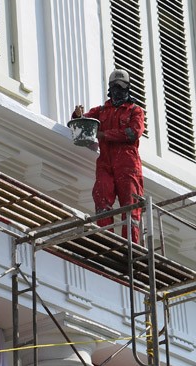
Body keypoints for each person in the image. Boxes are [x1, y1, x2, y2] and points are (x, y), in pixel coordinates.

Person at [72, 69, 145, 243]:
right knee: (102, 195)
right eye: (113, 87)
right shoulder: (102, 110)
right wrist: (78, 115)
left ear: (127, 88)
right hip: (106, 161)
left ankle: (130, 246)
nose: (116, 91)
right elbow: (83, 123)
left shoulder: (135, 111)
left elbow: (133, 132)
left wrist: (105, 135)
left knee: (130, 205)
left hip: (127, 163)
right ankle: (106, 240)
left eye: (120, 87)